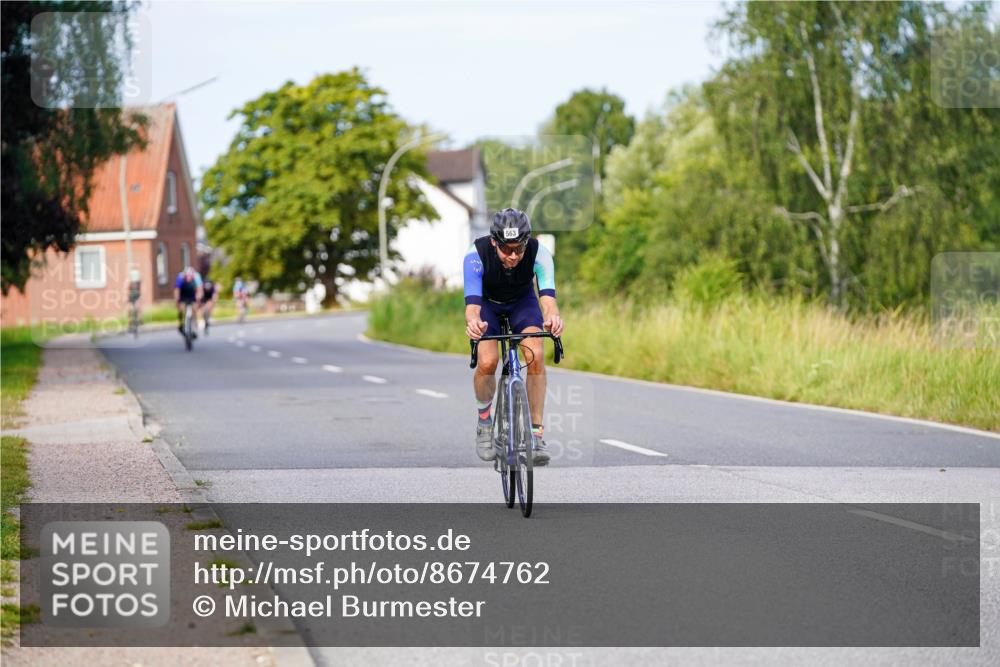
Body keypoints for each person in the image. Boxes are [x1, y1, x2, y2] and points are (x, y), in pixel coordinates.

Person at [463, 208, 564, 465]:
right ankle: (485, 422)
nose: (513, 255)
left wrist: (552, 318)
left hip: (522, 302)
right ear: (494, 242)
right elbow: (472, 307)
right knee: (487, 362)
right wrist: (473, 322)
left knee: (536, 355)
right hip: (488, 304)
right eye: (506, 249)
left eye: (518, 248)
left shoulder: (539, 253)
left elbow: (549, 301)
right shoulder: (476, 255)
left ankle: (536, 434)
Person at [174, 266, 204, 337]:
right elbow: (177, 290)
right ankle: (181, 323)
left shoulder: (197, 277)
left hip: (192, 293)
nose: (188, 278)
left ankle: (194, 325)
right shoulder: (180, 277)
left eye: (190, 277)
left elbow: (200, 290)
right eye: (187, 276)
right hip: (183, 293)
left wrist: (198, 298)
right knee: (181, 308)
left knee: (195, 308)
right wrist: (177, 300)